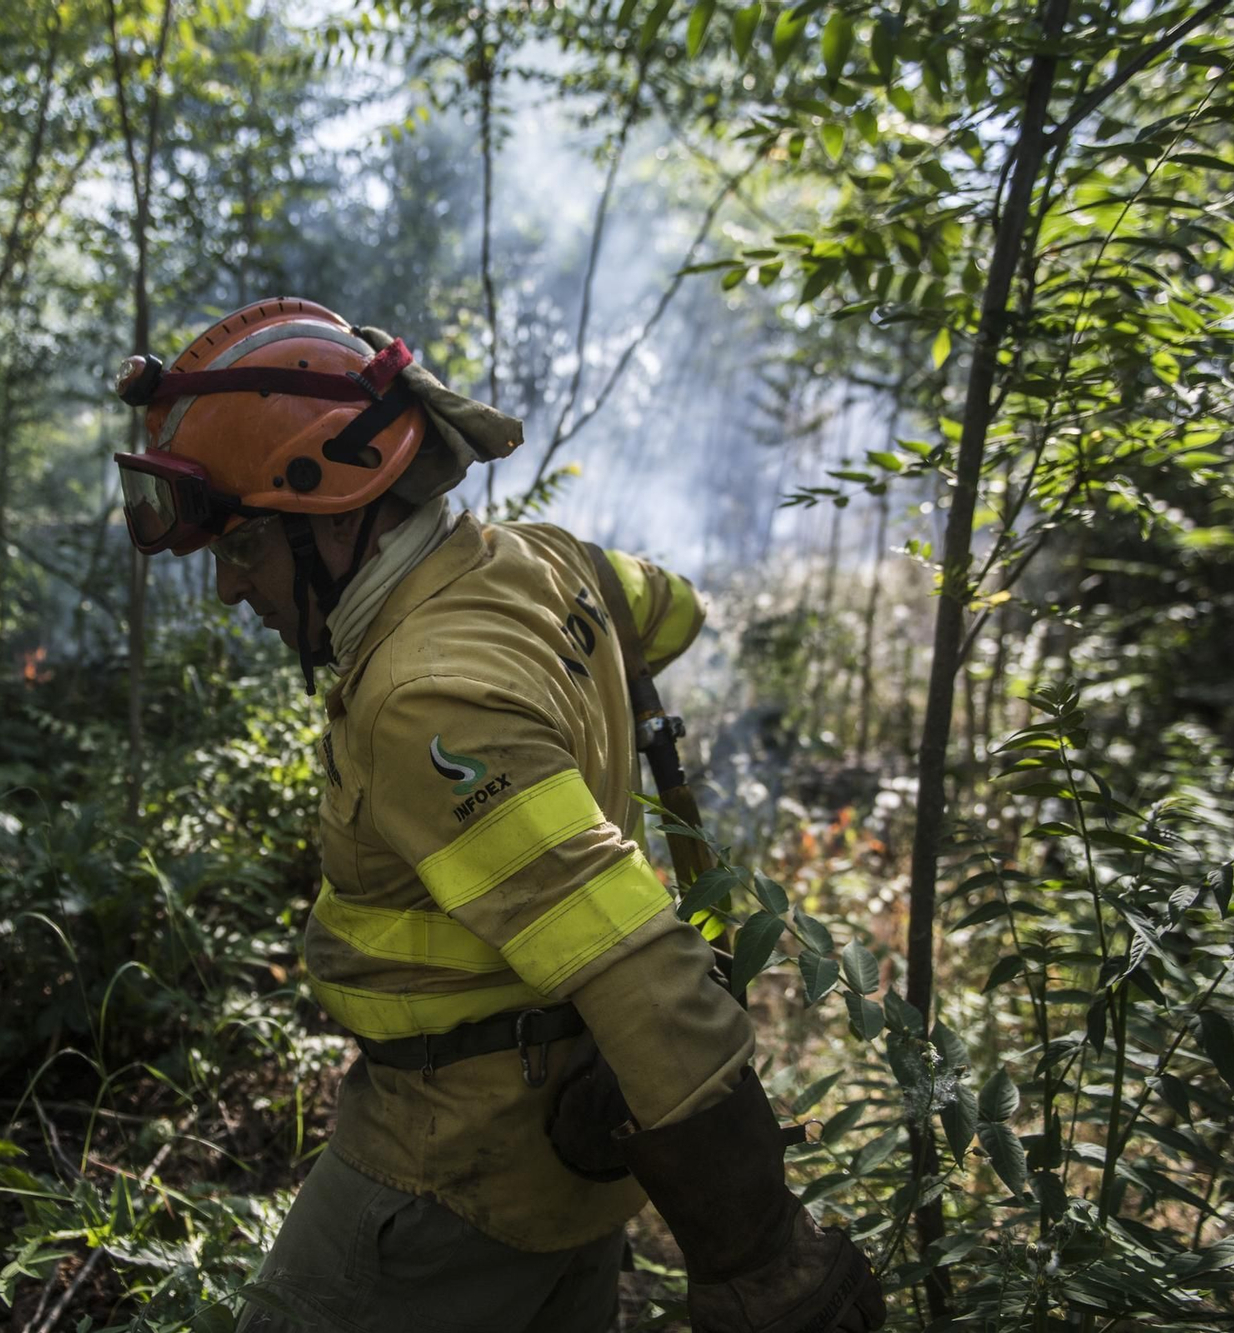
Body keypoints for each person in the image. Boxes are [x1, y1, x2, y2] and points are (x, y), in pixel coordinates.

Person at [111, 297, 885, 1333]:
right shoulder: (550, 562)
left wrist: (758, 1250)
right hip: (575, 1148)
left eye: (242, 548)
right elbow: (674, 610)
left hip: (446, 1170)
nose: (227, 589)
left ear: (334, 511)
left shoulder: (423, 697)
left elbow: (635, 960)